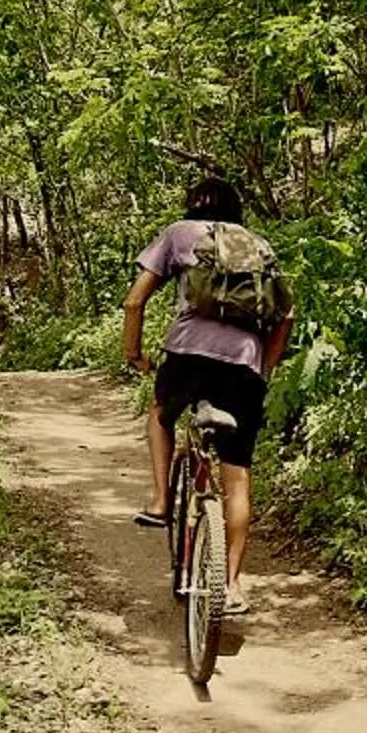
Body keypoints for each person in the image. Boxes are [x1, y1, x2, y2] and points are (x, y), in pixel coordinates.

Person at [122, 178, 291, 618]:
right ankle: (232, 585)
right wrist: (264, 369)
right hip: (244, 365)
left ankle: (161, 501)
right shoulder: (258, 244)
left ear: (191, 205)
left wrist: (133, 354)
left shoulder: (180, 233)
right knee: (237, 477)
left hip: (188, 354)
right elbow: (285, 314)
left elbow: (134, 302)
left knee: (161, 414)